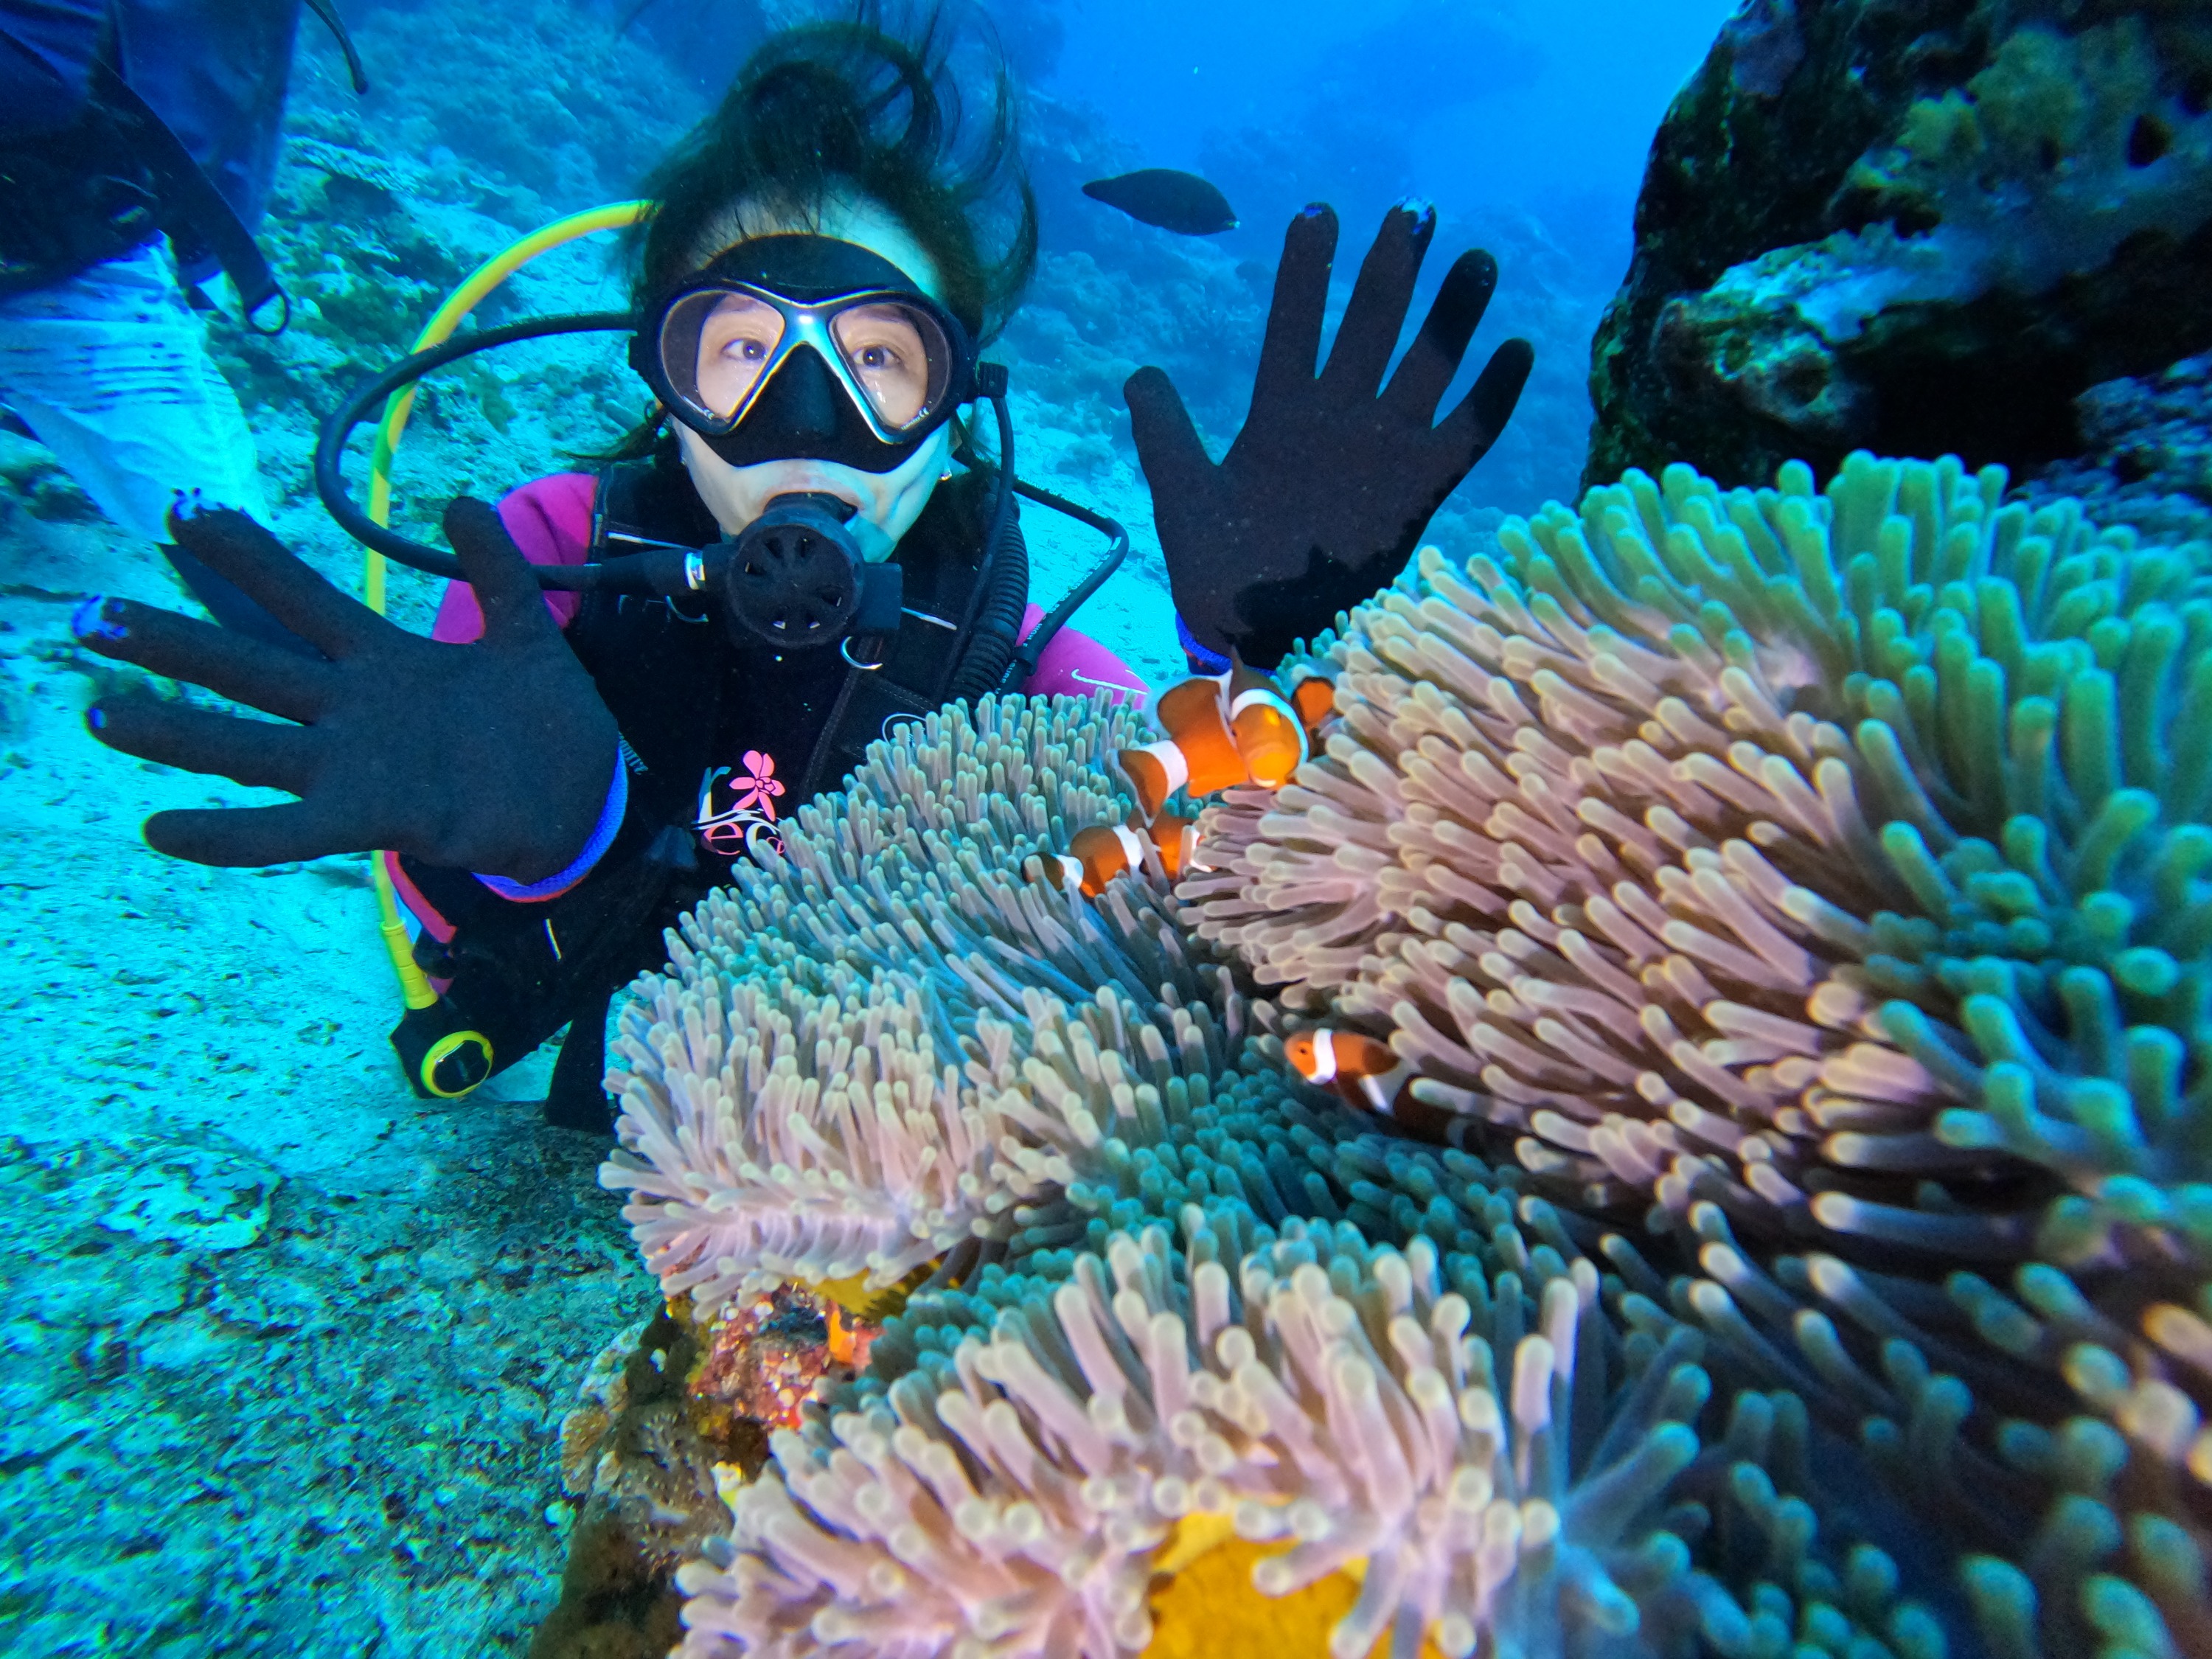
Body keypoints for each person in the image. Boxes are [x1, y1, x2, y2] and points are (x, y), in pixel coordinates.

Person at [72, 13, 1533, 1130]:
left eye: (881, 361)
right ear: (666, 382)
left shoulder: (1007, 661)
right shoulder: (550, 567)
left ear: (958, 412)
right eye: (743, 353)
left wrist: (1263, 667)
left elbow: (1213, 893)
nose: (811, 424)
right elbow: (458, 946)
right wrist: (531, 842)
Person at [0, 0, 354, 548]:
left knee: (222, 533)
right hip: (75, 244)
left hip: (83, 240)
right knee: (222, 534)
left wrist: (204, 242)